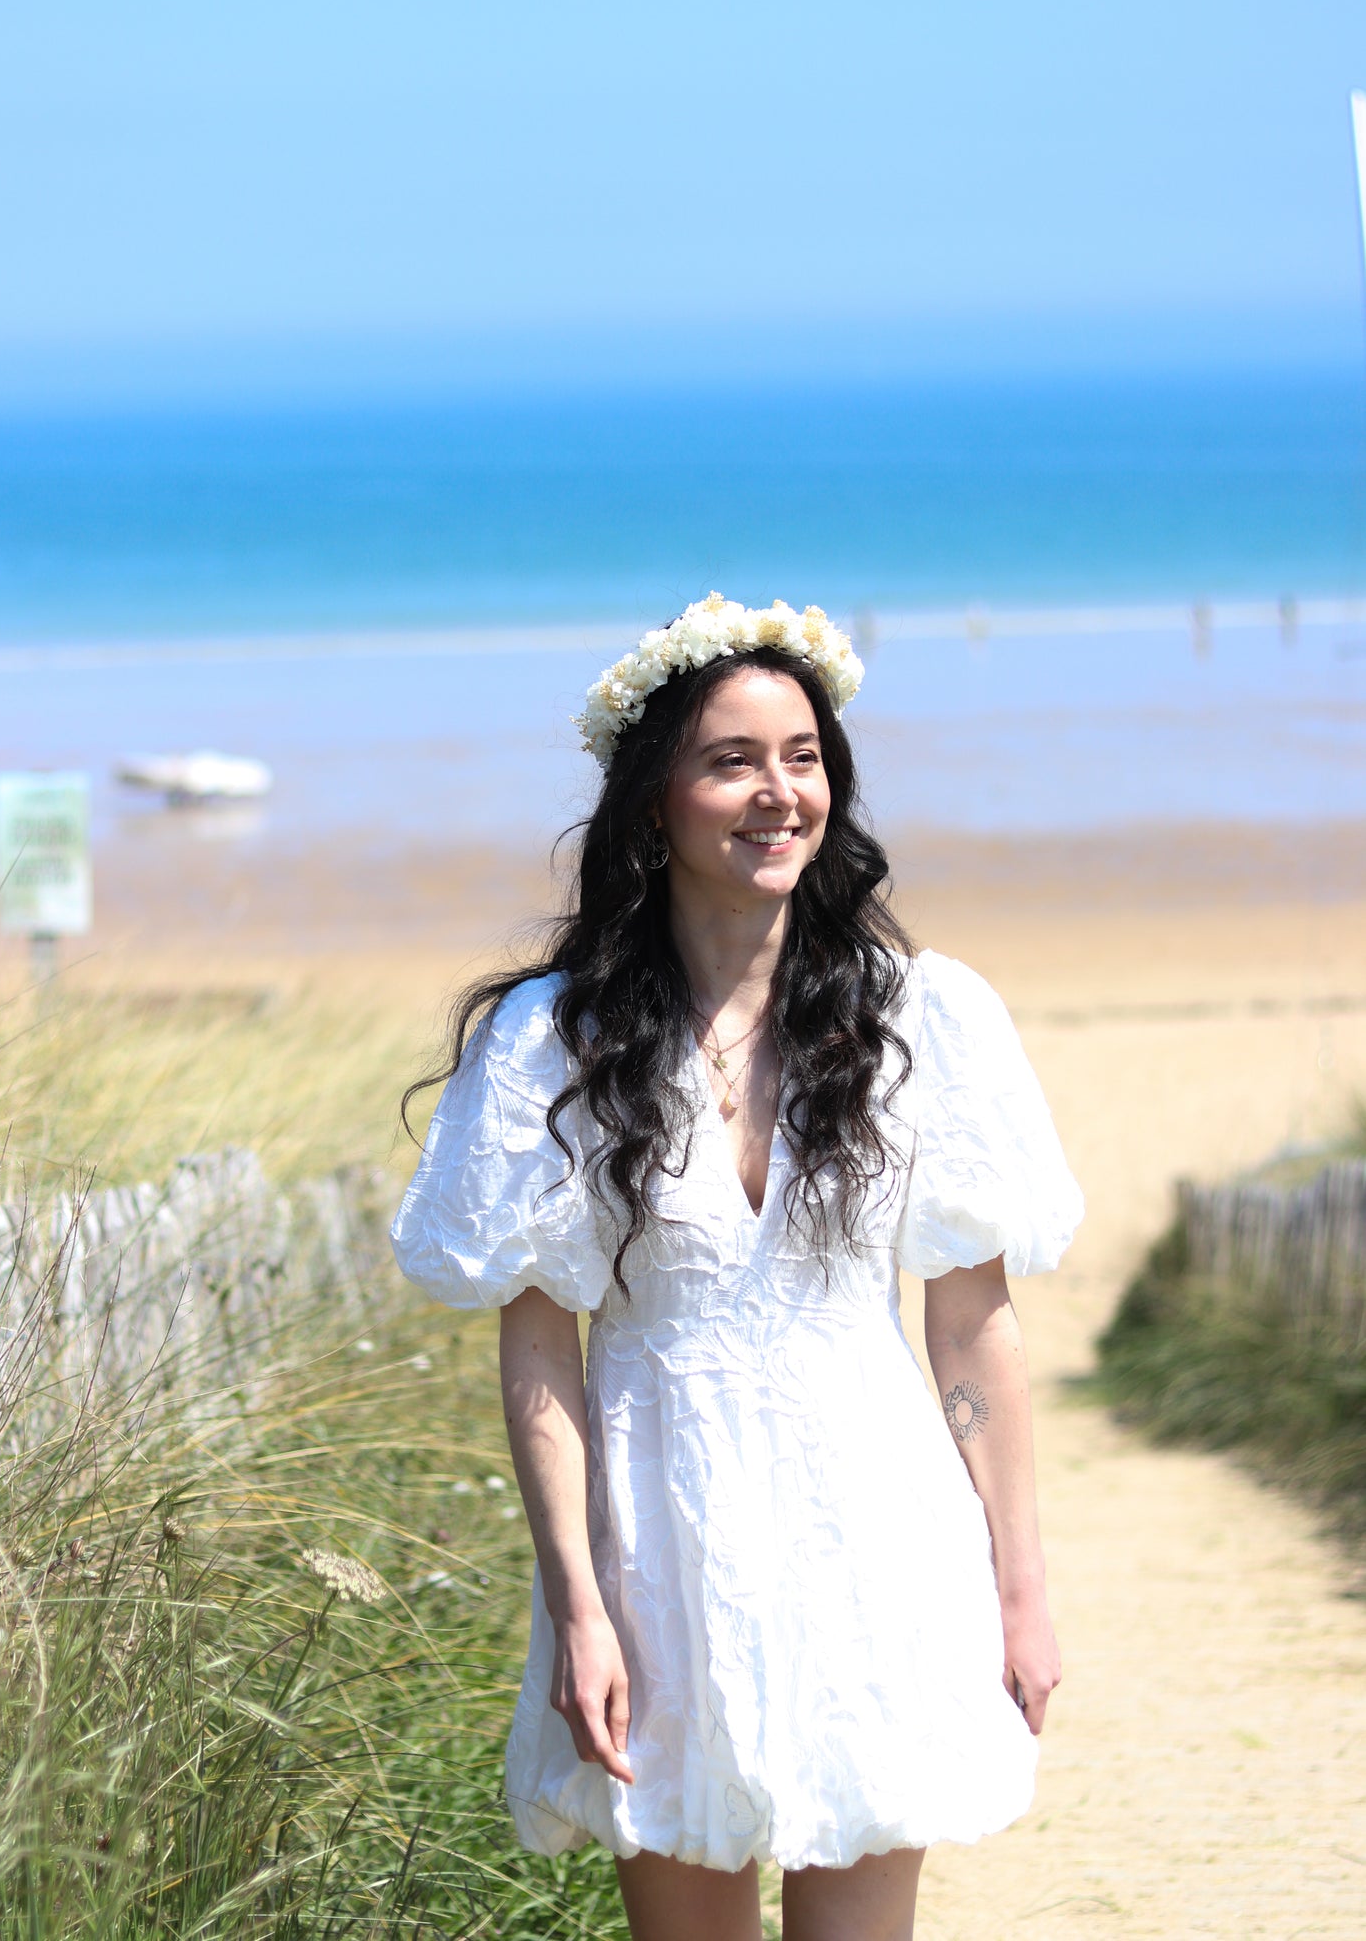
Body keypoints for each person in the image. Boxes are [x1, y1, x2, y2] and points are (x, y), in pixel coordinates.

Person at [392, 593, 1083, 1941]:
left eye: (804, 756)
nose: (779, 794)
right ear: (654, 803)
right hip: (660, 1538)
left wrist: (1019, 1589)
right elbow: (537, 1346)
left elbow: (969, 1331)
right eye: (732, 760)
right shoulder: (554, 1040)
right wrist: (576, 1609)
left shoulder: (923, 1016)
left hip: (878, 1527)